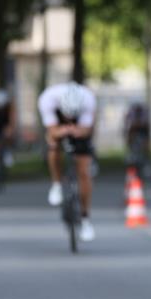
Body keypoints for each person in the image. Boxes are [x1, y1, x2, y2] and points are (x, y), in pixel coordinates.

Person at [38, 81, 97, 242]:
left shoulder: (88, 100)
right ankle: (56, 184)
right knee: (53, 145)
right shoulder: (47, 99)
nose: (69, 118)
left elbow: (86, 130)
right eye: (67, 115)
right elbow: (51, 130)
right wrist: (62, 130)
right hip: (57, 125)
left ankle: (85, 219)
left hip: (80, 127)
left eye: (72, 115)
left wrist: (77, 131)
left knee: (84, 171)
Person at [123, 102, 151, 176]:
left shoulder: (144, 112)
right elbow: (129, 125)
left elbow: (146, 126)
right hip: (133, 131)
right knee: (132, 147)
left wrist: (147, 141)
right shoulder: (131, 113)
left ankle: (146, 164)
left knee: (146, 148)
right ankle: (132, 164)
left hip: (143, 132)